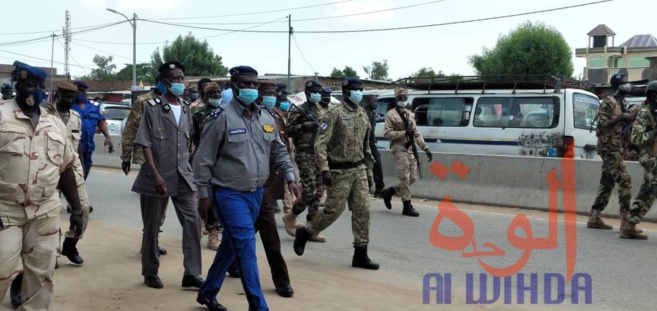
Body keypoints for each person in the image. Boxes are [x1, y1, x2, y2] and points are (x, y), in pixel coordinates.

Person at [193, 66, 301, 311]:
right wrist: (203, 195)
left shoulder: (266, 117)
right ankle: (258, 306)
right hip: (229, 194)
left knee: (231, 245)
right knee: (246, 247)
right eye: (246, 84)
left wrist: (290, 176)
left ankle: (208, 292)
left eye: (255, 84)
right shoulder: (221, 117)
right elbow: (202, 160)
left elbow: (278, 151)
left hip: (257, 193)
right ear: (234, 86)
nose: (252, 89)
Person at [0, 60, 83, 310]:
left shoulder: (54, 122)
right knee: (2, 269)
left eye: (39, 85)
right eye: (28, 84)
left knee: (41, 274)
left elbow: (66, 168)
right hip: (5, 210)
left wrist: (77, 210)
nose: (34, 90)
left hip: (45, 211)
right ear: (17, 85)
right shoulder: (1, 116)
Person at [293, 77, 380, 271]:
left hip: (359, 170)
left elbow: (366, 146)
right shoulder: (334, 113)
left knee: (363, 210)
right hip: (339, 170)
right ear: (347, 92)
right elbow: (320, 143)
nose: (359, 92)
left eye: (361, 89)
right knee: (333, 211)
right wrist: (324, 169)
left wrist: (369, 172)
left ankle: (360, 254)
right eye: (356, 89)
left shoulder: (362, 114)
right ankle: (305, 233)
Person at [132, 61, 204, 289]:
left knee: (193, 222)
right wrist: (155, 174)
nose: (180, 83)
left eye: (182, 78)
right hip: (157, 176)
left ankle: (192, 273)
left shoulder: (185, 108)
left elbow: (188, 143)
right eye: (175, 79)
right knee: (152, 227)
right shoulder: (152, 107)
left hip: (183, 175)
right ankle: (150, 271)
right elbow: (145, 143)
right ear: (165, 82)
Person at [253, 80, 295, 297]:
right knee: (242, 235)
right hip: (244, 188)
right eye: (266, 93)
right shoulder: (248, 116)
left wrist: (289, 177)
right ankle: (228, 267)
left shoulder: (275, 116)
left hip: (268, 185)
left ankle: (282, 281)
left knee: (270, 236)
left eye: (273, 93)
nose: (270, 96)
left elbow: (281, 149)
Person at [121, 79, 168, 257]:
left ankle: (153, 239)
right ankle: (149, 241)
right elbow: (130, 129)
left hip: (168, 159)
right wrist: (126, 157)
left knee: (163, 200)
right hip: (147, 157)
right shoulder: (143, 101)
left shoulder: (177, 103)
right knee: (151, 202)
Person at [47, 82, 92, 266]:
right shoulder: (46, 115)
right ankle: (52, 252)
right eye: (66, 96)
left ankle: (69, 245)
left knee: (83, 210)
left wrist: (81, 166)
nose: (69, 100)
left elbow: (78, 144)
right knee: (51, 214)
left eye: (72, 97)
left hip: (72, 169)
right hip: (49, 169)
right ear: (58, 94)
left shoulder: (75, 116)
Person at [587, 73, 633, 231]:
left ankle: (594, 216)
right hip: (608, 147)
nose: (627, 85)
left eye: (627, 82)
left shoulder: (623, 102)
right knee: (625, 180)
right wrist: (621, 118)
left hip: (616, 147)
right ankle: (626, 222)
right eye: (623, 83)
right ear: (616, 86)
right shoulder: (609, 101)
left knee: (607, 181)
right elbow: (602, 125)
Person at [283, 80, 327, 242]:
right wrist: (303, 127)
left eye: (318, 91)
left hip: (319, 154)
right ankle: (291, 216)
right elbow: (287, 131)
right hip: (305, 153)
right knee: (309, 192)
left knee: (319, 192)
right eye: (314, 92)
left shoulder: (321, 111)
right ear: (307, 94)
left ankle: (311, 229)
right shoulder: (298, 111)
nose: (316, 94)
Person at [380, 88, 432, 217]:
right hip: (399, 149)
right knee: (404, 178)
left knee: (412, 178)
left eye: (405, 98)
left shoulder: (410, 114)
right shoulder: (391, 115)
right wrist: (403, 133)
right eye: (400, 98)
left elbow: (416, 133)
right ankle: (407, 206)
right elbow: (387, 134)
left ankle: (390, 191)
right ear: (396, 99)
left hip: (410, 149)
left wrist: (425, 148)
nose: (403, 100)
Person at [622, 81, 657, 239]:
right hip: (649, 157)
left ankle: (629, 225)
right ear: (653, 95)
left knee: (647, 193)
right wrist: (653, 134)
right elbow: (636, 138)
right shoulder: (644, 113)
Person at [191, 82, 224, 251]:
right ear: (205, 96)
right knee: (205, 197)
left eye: (219, 94)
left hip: (222, 162)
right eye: (214, 94)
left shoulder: (225, 114)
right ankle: (204, 230)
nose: (217, 97)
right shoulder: (197, 114)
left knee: (217, 198)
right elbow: (190, 137)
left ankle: (214, 233)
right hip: (204, 160)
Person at [71, 80, 113, 180]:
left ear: (86, 92)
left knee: (85, 168)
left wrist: (108, 137)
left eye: (82, 90)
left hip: (87, 147)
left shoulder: (94, 106)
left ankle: (80, 186)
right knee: (72, 170)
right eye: (77, 90)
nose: (79, 92)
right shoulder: (68, 105)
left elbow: (101, 122)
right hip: (72, 146)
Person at [276, 83, 296, 216]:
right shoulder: (271, 113)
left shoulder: (289, 113)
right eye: (282, 98)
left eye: (285, 98)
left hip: (288, 153)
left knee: (289, 182)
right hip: (275, 153)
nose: (284, 101)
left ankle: (289, 213)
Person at [363, 94, 385, 197]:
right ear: (368, 101)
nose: (375, 103)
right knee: (366, 167)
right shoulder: (363, 113)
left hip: (372, 144)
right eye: (373, 101)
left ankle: (379, 189)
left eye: (376, 101)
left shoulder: (372, 114)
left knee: (378, 165)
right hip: (364, 145)